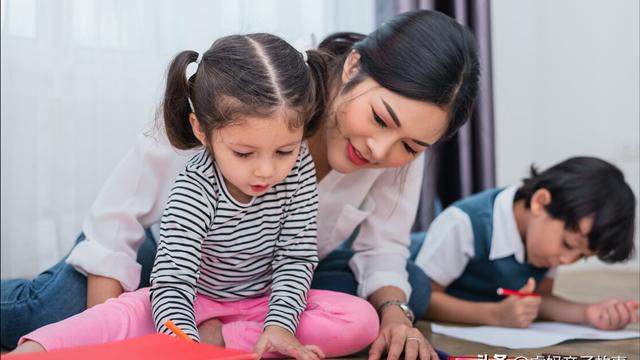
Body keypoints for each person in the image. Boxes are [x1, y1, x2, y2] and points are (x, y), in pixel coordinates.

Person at [1, 10, 480, 359]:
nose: (381, 150)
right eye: (379, 119)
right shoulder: (251, 94)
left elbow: (377, 251)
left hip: (265, 274)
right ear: (353, 68)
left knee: (407, 290)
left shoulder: (400, 153)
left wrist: (395, 313)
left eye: (412, 145)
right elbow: (116, 225)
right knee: (49, 314)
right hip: (164, 248)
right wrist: (112, 337)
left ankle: (217, 336)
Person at [414, 157, 639, 329]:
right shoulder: (464, 223)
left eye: (581, 256)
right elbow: (422, 299)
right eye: (569, 245)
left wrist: (589, 312)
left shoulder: (545, 241)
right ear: (540, 203)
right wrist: (494, 315)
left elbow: (539, 301)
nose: (567, 260)